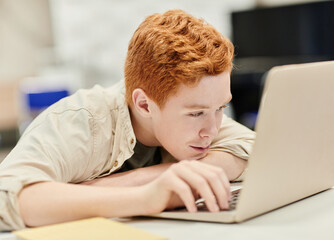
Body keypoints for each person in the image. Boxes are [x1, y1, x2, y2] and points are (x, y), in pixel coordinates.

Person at [0, 9, 255, 230]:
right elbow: (7, 197)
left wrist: (144, 179)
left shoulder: (200, 110)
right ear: (144, 104)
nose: (211, 129)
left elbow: (252, 148)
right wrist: (146, 197)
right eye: (196, 113)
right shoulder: (81, 121)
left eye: (221, 107)